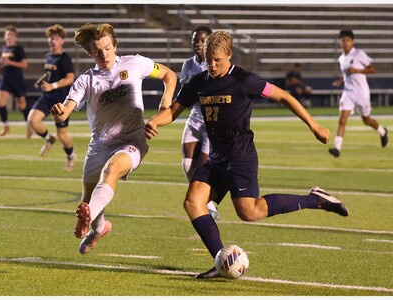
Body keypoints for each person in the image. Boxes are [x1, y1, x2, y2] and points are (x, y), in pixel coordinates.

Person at [144, 31, 349, 279]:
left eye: (217, 59)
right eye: (209, 58)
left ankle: (315, 199)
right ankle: (222, 261)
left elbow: (284, 96)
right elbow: (173, 112)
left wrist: (314, 126)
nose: (212, 64)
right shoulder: (198, 82)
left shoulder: (244, 80)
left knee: (248, 212)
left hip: (240, 156)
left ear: (229, 55)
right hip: (216, 157)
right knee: (192, 202)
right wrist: (156, 121)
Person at [50, 23, 177, 254]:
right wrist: (60, 114)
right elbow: (67, 110)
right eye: (98, 51)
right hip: (99, 144)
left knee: (112, 170)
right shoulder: (86, 80)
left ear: (115, 45)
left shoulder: (135, 63)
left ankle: (87, 221)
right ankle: (98, 229)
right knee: (89, 200)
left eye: (108, 48)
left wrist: (165, 100)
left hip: (132, 140)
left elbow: (169, 74)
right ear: (90, 53)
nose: (104, 55)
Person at [180, 25, 220, 220]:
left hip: (211, 120)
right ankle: (204, 201)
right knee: (188, 164)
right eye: (195, 40)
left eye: (202, 40)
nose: (198, 44)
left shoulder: (215, 63)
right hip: (195, 116)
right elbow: (185, 88)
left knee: (202, 167)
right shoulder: (188, 63)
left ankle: (207, 202)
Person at [329, 29, 388, 158]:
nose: (345, 42)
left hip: (362, 93)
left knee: (366, 120)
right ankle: (337, 148)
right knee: (342, 120)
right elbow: (347, 75)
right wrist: (341, 81)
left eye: (347, 40)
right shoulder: (341, 59)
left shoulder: (359, 54)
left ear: (352, 42)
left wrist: (357, 70)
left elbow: (373, 69)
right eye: (342, 40)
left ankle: (383, 132)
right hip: (348, 92)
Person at [27, 24, 76, 171]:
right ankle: (49, 139)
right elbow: (49, 74)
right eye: (50, 37)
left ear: (62, 40)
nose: (52, 40)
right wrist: (42, 81)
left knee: (62, 134)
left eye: (55, 38)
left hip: (61, 100)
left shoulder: (64, 58)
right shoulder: (48, 56)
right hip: (47, 96)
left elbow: (70, 78)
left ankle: (71, 155)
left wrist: (52, 86)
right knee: (32, 120)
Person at [0, 25, 31, 138]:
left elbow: (25, 64)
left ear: (15, 37)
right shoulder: (4, 49)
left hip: (17, 80)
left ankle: (30, 126)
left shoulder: (18, 49)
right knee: (0, 101)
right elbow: (5, 63)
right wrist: (0, 68)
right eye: (7, 34)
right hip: (5, 79)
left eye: (11, 35)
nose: (8, 37)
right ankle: (6, 126)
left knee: (22, 105)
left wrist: (10, 63)